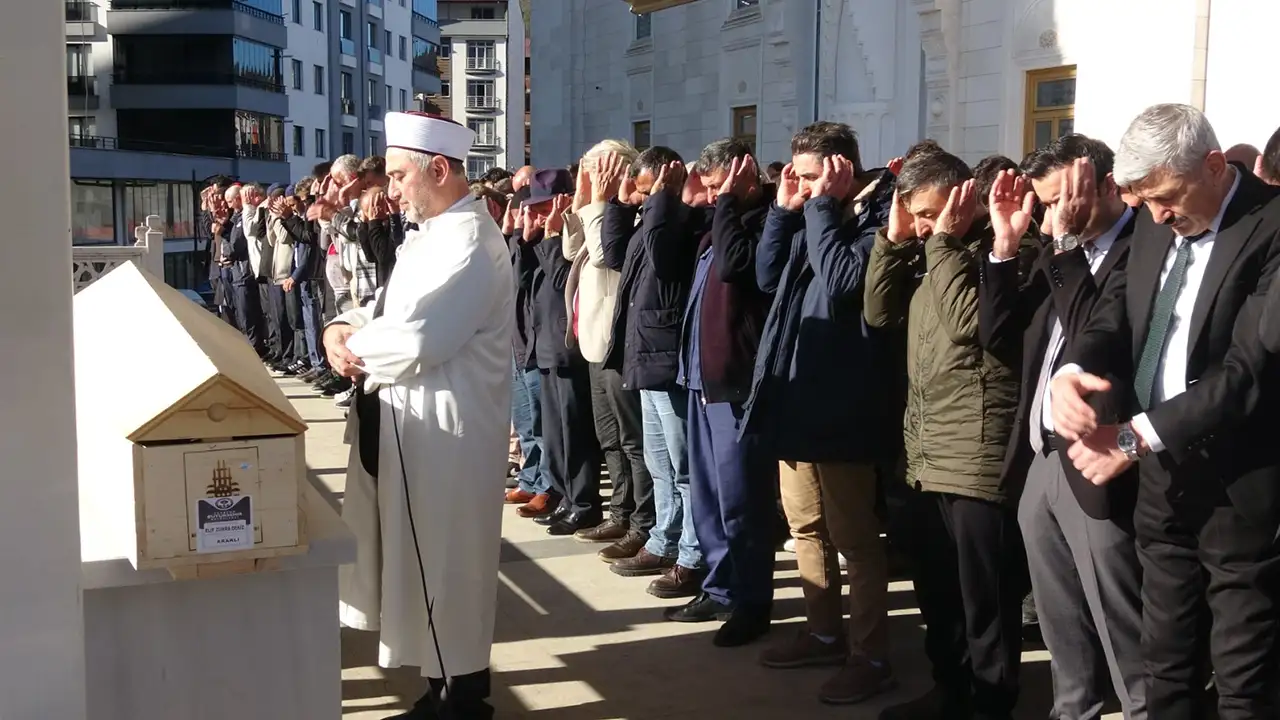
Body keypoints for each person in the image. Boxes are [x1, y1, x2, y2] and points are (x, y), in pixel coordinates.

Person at [1053, 103, 1280, 719]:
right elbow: (1115, 313)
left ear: (1213, 167)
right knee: (1166, 662)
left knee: (1242, 675)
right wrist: (1071, 370)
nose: (1156, 216)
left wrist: (1130, 440)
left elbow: (1249, 371)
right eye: (1145, 201)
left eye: (1167, 198)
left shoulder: (1272, 226)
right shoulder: (1156, 221)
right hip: (1161, 480)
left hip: (1239, 485)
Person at [326, 111, 514, 720]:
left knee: (450, 565)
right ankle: (441, 691)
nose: (393, 188)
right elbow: (385, 309)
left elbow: (419, 340)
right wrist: (340, 327)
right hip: (413, 428)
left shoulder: (470, 246)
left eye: (403, 176)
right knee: (422, 562)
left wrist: (352, 349)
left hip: (449, 435)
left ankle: (463, 700)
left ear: (440, 170)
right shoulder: (431, 234)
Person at [979, 135, 1145, 719]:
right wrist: (1004, 248)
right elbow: (999, 338)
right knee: (1058, 615)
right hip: (1041, 459)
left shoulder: (1138, 249)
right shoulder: (1055, 253)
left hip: (1101, 457)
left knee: (1117, 615)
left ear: (1104, 184)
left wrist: (1067, 246)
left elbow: (1091, 337)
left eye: (1063, 200)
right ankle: (1073, 710)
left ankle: (1141, 708)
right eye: (1047, 204)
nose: (1054, 215)